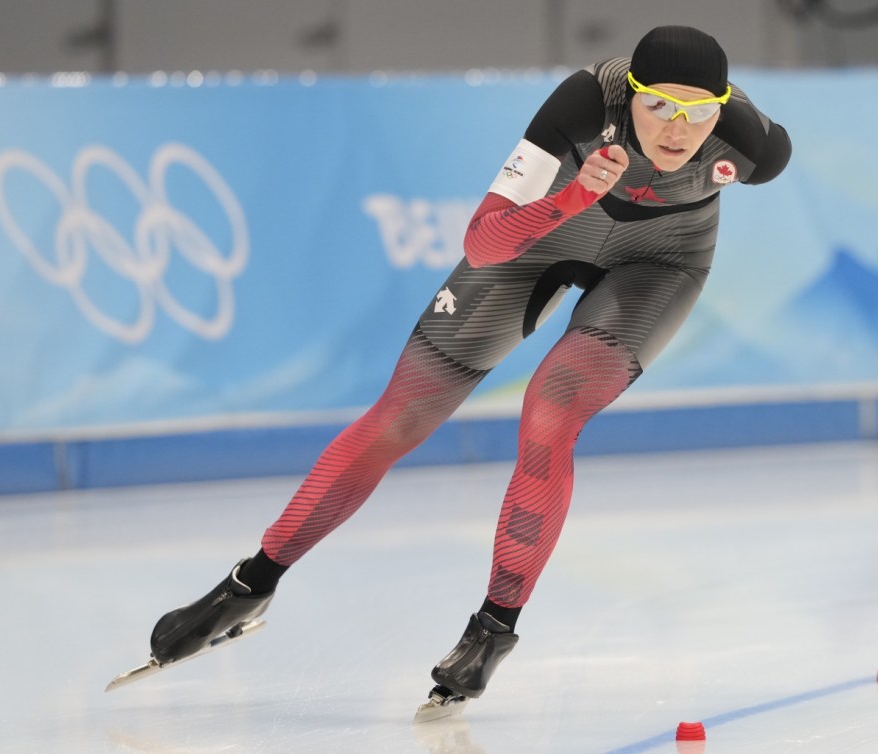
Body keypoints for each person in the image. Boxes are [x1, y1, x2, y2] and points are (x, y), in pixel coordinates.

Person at [146, 24, 791, 716]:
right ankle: (250, 584)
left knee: (551, 412)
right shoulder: (580, 108)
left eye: (699, 111)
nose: (678, 128)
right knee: (403, 413)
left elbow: (747, 145)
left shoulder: (753, 146)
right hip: (542, 235)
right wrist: (572, 196)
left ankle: (492, 631)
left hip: (661, 262)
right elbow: (483, 242)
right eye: (660, 105)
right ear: (630, 95)